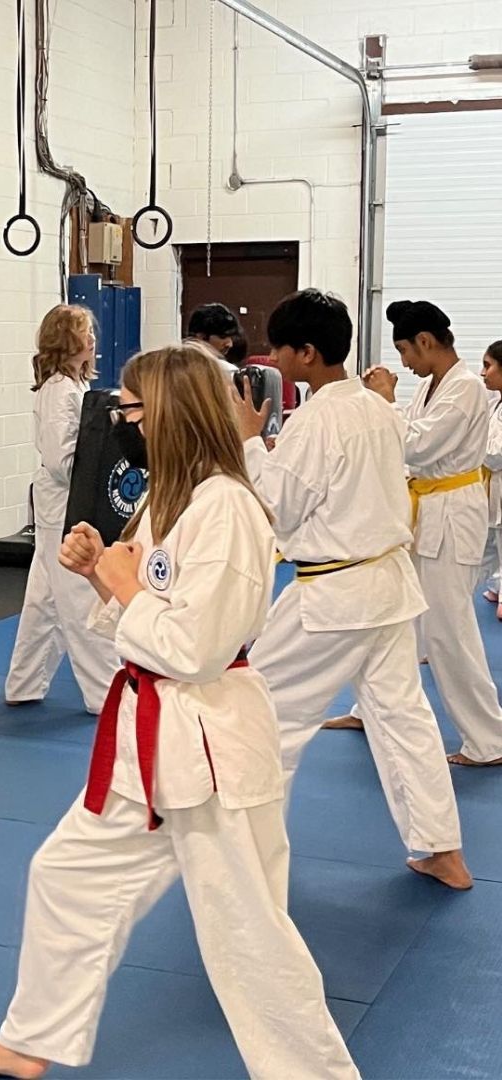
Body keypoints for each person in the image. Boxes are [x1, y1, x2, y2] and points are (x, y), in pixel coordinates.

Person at [0, 344, 358, 1080]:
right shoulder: (170, 496)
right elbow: (149, 613)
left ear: (168, 412)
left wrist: (124, 584)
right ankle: (33, 1039)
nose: (121, 420)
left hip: (212, 748)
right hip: (153, 740)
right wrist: (103, 570)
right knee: (67, 876)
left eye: (130, 407)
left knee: (249, 936)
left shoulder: (227, 508)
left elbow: (195, 645)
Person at [233, 290, 470, 888]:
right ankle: (441, 848)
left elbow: (281, 507)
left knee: (261, 714)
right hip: (389, 587)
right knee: (403, 719)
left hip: (334, 595)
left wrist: (247, 444)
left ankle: (246, 863)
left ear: (306, 353)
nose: (274, 359)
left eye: (281, 349)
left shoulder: (318, 419)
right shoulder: (378, 409)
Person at [328, 301, 502, 767]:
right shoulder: (433, 386)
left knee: (449, 632)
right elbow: (408, 436)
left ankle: (489, 739)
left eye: (405, 349)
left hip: (451, 512)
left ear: (425, 341)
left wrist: (385, 400)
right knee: (394, 617)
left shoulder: (465, 388)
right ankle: (370, 709)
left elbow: (416, 443)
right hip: (423, 512)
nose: (403, 361)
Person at [5, 305, 119, 714]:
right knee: (79, 601)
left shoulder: (72, 388)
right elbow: (60, 459)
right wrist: (95, 479)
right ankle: (107, 694)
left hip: (63, 505)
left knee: (45, 600)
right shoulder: (59, 390)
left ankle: (24, 682)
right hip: (63, 508)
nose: (91, 340)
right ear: (66, 341)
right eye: (84, 333)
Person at [479, 340, 502, 619]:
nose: (482, 373)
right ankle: (496, 585)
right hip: (491, 484)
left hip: (497, 475)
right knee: (490, 539)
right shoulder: (494, 403)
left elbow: (495, 453)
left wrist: (475, 448)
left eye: (488, 365)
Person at [186, 302, 240, 375]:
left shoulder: (230, 372)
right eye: (222, 337)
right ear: (201, 337)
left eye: (231, 337)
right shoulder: (176, 370)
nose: (230, 344)